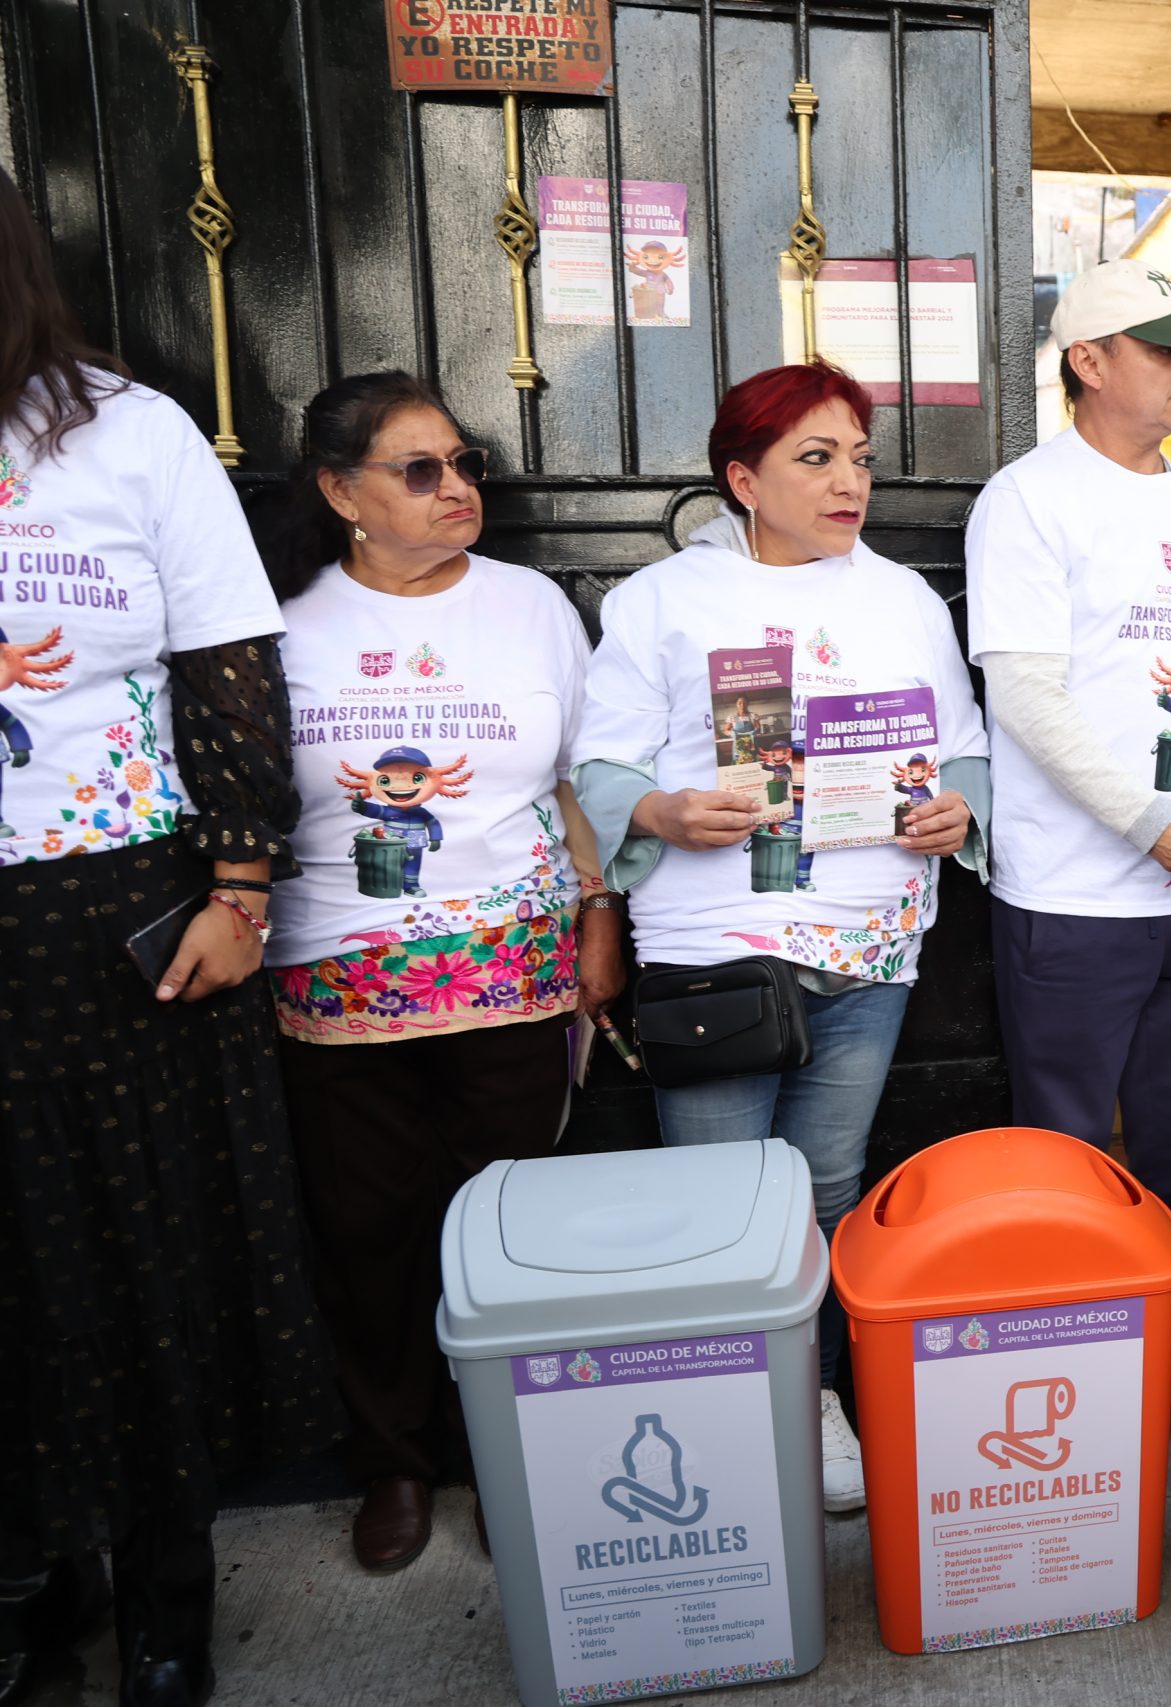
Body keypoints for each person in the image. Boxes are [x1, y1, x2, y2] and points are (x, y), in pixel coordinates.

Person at [0, 166, 336, 1707]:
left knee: (136, 1254)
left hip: (114, 918)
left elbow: (228, 671)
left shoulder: (128, 434)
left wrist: (241, 886)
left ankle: (161, 1583)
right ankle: (32, 1572)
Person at [574, 361, 989, 1517]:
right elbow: (600, 761)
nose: (850, 481)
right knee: (719, 1199)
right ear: (743, 480)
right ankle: (722, 1418)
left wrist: (958, 809)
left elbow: (961, 744)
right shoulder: (663, 601)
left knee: (827, 1190)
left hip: (870, 946)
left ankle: (811, 1400)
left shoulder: (903, 599)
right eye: (816, 459)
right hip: (717, 945)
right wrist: (660, 813)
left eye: (858, 457)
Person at [255, 371, 622, 1572]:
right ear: (339, 492)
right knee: (369, 1233)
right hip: (338, 983)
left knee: (512, 1230)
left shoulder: (530, 607)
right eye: (420, 470)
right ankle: (396, 1462)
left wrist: (599, 915)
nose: (456, 487)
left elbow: (574, 779)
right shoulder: (283, 618)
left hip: (513, 972)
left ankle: (515, 1454)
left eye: (464, 464)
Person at [963, 259, 1171, 1211]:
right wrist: (1148, 822)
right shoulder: (1028, 499)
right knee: (1062, 1156)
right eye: (1163, 349)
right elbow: (1026, 696)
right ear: (1090, 362)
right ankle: (1077, 1310)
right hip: (1074, 898)